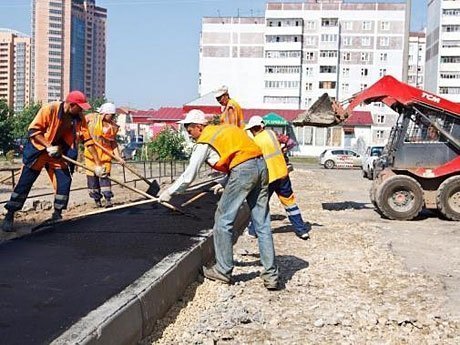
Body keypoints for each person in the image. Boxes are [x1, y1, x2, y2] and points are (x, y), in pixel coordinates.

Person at [159, 109, 279, 290]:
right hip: (261, 167)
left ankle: (223, 270)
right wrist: (225, 181)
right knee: (261, 221)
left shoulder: (205, 141)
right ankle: (271, 275)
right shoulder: (225, 130)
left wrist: (170, 191)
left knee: (223, 220)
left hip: (244, 171)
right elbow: (242, 154)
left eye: (189, 129)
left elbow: (189, 176)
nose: (188, 134)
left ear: (199, 126)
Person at [1, 91, 106, 232]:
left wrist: (98, 164)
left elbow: (88, 140)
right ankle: (10, 214)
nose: (81, 110)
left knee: (64, 182)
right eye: (80, 107)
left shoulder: (79, 117)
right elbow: (33, 131)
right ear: (71, 104)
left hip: (58, 153)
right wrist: (48, 146)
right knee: (24, 183)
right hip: (39, 151)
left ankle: (57, 213)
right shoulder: (50, 109)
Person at [245, 116, 310, 240]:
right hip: (282, 174)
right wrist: (283, 150)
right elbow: (290, 142)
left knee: (260, 205)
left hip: (268, 178)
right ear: (262, 125)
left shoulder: (256, 142)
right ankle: (302, 230)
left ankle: (253, 231)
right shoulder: (272, 134)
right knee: (290, 203)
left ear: (253, 129)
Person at [84, 102, 123, 208]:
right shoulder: (92, 119)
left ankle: (108, 199)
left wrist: (118, 156)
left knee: (105, 179)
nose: (113, 117)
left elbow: (113, 143)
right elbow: (80, 123)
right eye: (112, 115)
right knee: (92, 180)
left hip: (105, 157)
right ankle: (97, 200)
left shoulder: (113, 127)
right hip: (91, 156)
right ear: (105, 113)